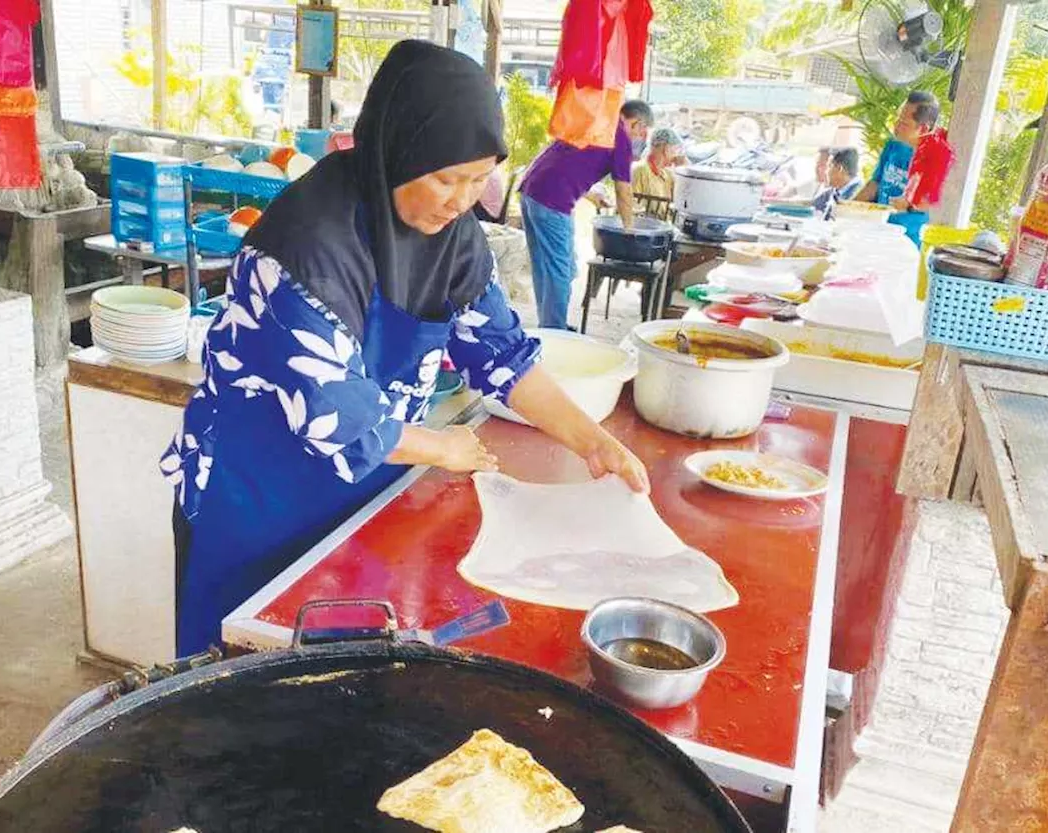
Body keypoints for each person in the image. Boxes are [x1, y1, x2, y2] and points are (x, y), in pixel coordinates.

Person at [160, 41, 649, 656]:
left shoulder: (454, 236)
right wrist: (445, 447)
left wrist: (593, 441)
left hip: (356, 496)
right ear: (398, 151)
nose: (463, 199)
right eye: (447, 179)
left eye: (480, 180)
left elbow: (500, 353)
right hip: (257, 500)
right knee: (239, 678)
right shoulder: (300, 248)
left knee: (340, 681)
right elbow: (334, 417)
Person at [519, 100, 654, 329]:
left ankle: (550, 324)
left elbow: (570, 163)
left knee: (544, 265)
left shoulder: (596, 120)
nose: (642, 137)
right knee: (560, 269)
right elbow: (623, 189)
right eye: (643, 131)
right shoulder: (620, 136)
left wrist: (590, 194)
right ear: (636, 123)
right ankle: (555, 330)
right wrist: (629, 228)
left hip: (531, 191)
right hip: (552, 201)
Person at [855, 90, 941, 245]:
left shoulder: (935, 159)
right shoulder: (893, 146)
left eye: (903, 123)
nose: (896, 126)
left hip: (907, 239)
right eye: (898, 119)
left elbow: (934, 202)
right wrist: (847, 208)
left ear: (923, 129)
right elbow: (874, 185)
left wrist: (909, 205)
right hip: (878, 229)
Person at [631, 128, 684, 205]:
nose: (676, 155)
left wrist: (682, 171)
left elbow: (682, 201)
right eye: (675, 150)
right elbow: (633, 205)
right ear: (666, 148)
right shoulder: (639, 170)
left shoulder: (668, 175)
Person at [812, 147, 864, 217]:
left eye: (829, 166)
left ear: (839, 168)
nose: (826, 172)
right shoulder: (831, 192)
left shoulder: (860, 195)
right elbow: (812, 205)